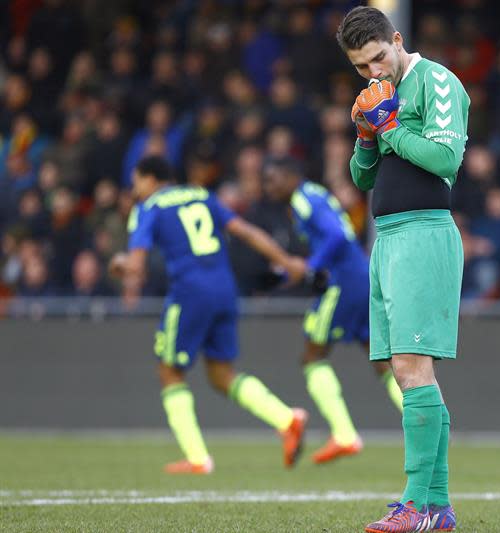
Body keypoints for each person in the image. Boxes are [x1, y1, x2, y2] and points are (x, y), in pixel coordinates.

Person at [337, 6, 469, 532]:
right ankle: (435, 508)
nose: (374, 73)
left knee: (414, 368)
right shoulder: (376, 90)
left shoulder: (436, 81)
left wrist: (387, 125)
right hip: (389, 240)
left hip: (424, 232)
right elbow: (361, 178)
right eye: (362, 68)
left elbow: (445, 161)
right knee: (405, 369)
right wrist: (366, 136)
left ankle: (415, 504)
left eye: (378, 59)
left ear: (396, 40)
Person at [109, 155, 309, 474]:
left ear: (149, 179)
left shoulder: (150, 208)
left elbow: (135, 267)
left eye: (136, 183)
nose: (135, 190)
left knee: (170, 372)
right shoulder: (202, 194)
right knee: (221, 374)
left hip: (189, 293)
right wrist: (286, 261)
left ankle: (197, 457)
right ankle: (287, 419)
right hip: (224, 290)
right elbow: (245, 231)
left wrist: (117, 263)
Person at [263, 158, 403, 464]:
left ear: (289, 176)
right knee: (381, 359)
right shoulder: (314, 193)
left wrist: (312, 267)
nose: (268, 187)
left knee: (313, 355)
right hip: (361, 276)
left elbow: (337, 236)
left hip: (343, 283)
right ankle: (423, 423)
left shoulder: (302, 198)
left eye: (272, 179)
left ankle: (344, 434)